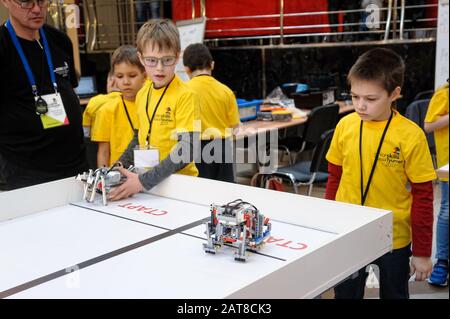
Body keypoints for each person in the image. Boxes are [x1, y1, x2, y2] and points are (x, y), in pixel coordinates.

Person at [325, 48, 436, 299]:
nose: (360, 106)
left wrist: (421, 252)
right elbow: (334, 178)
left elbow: (423, 196)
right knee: (346, 294)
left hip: (393, 236)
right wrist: (328, 226)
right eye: (354, 96)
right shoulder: (345, 126)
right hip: (348, 230)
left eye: (371, 99)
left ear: (394, 94)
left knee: (395, 294)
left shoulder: (410, 135)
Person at [108, 19, 200, 201]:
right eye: (151, 60)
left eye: (167, 60)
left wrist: (142, 181)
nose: (159, 68)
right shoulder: (143, 93)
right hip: (149, 183)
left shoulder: (185, 95)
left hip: (180, 186)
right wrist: (118, 166)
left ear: (177, 56)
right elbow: (138, 136)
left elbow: (188, 150)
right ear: (141, 58)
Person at [0, 0, 87, 190]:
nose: (37, 9)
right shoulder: (3, 46)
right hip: (26, 174)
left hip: (75, 166)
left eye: (41, 1)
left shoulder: (60, 40)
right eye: (26, 3)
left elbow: (70, 89)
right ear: (6, 2)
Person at [183, 43, 240, 183]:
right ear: (212, 65)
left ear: (186, 69)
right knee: (225, 196)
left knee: (201, 193)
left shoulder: (183, 91)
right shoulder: (226, 91)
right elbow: (234, 126)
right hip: (223, 147)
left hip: (196, 149)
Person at [91, 45, 146, 168]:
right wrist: (104, 180)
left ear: (144, 75)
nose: (126, 82)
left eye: (132, 76)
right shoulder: (106, 110)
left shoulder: (152, 104)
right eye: (120, 76)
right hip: (119, 175)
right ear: (114, 77)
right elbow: (103, 152)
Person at [424, 82, 449, 287]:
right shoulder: (444, 94)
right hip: (448, 165)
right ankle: (442, 261)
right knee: (447, 211)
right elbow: (429, 125)